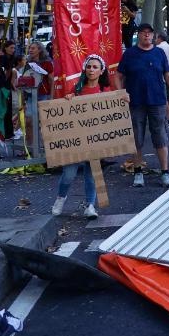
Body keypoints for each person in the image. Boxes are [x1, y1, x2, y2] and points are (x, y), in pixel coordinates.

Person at [118, 23, 169, 187]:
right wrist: (120, 93)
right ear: (138, 35)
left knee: (161, 137)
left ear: (153, 36)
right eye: (143, 33)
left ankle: (165, 172)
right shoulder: (129, 54)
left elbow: (168, 75)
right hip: (136, 102)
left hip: (157, 101)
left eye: (149, 33)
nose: (146, 35)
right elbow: (118, 75)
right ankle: (138, 172)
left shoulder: (159, 53)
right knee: (136, 138)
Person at [51, 55, 109, 219]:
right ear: (85, 69)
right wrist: (68, 100)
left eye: (95, 67)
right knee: (69, 174)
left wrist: (124, 99)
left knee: (92, 175)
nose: (91, 70)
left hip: (96, 140)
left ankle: (90, 205)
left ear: (101, 70)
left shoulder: (106, 92)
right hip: (76, 140)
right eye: (89, 67)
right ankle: (61, 198)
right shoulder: (76, 90)